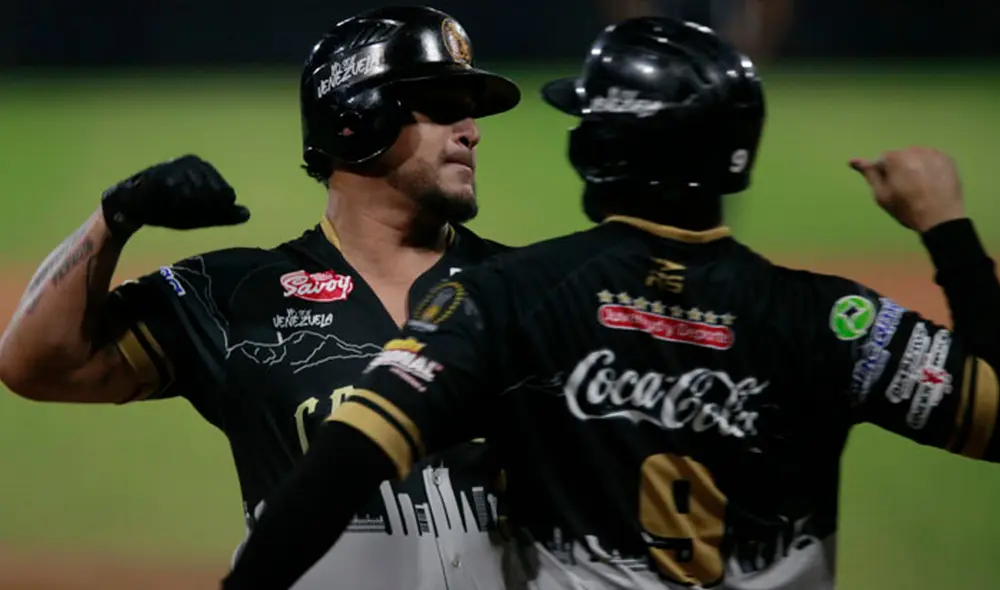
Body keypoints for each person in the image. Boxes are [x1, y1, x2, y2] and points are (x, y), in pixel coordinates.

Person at [219, 15, 1000, 590]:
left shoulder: (510, 294)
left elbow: (347, 460)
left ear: (597, 152)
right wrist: (949, 232)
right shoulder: (829, 319)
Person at [0, 6, 523, 590]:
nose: (471, 131)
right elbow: (36, 366)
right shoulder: (239, 296)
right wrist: (115, 217)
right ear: (358, 117)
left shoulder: (528, 288)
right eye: (444, 105)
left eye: (470, 111)